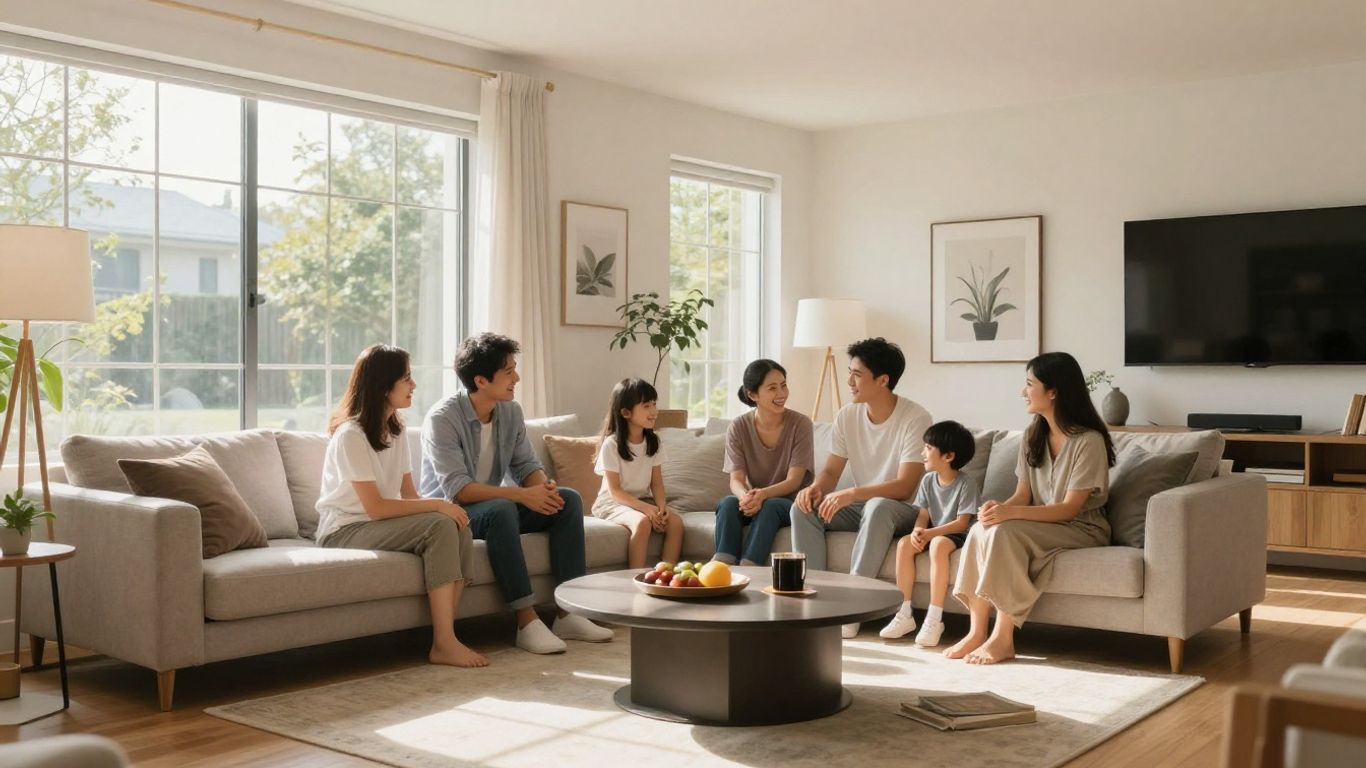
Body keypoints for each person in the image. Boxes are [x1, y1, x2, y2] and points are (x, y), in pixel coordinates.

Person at [419, 333, 614, 654]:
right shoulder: (443, 419)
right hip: (453, 512)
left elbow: (525, 466)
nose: (517, 378)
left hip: (495, 505)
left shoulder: (509, 412)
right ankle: (526, 621)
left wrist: (543, 489)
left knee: (568, 501)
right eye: (508, 371)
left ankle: (568, 613)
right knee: (501, 510)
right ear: (481, 380)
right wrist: (523, 497)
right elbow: (459, 490)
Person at [315, 344, 488, 668]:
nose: (414, 385)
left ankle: (445, 637)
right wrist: (438, 506)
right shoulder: (351, 435)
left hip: (373, 524)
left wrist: (447, 509)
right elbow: (376, 508)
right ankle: (445, 643)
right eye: (407, 378)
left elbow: (409, 496)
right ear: (383, 386)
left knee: (456, 523)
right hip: (344, 530)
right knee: (439, 521)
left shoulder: (397, 429)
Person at [946, 351, 1115, 665]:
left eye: (1029, 384)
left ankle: (1003, 638)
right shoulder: (1031, 436)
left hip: (1082, 527)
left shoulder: (1088, 441)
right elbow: (1023, 496)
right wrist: (997, 509)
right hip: (1042, 524)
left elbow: (1068, 509)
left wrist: (1009, 516)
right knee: (982, 528)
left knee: (1004, 533)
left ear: (1053, 392)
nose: (1023, 392)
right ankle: (976, 630)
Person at [792, 337, 933, 638]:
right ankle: (816, 600)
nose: (849, 381)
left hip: (902, 510)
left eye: (857, 374)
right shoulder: (847, 416)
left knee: (878, 505)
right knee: (803, 509)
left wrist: (852, 493)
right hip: (866, 508)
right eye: (850, 372)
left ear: (883, 380)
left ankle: (851, 607)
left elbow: (906, 486)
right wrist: (815, 488)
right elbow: (831, 470)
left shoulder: (915, 417)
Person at [879, 420, 978, 646]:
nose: (922, 452)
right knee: (904, 544)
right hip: (933, 531)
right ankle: (903, 613)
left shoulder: (966, 483)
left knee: (939, 545)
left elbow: (962, 523)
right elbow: (923, 514)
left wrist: (932, 534)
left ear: (948, 456)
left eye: (928, 448)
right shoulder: (927, 480)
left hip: (955, 534)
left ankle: (935, 618)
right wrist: (918, 530)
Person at [713, 359, 814, 566]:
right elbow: (736, 480)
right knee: (728, 504)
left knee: (770, 506)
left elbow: (794, 481)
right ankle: (723, 563)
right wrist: (744, 497)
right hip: (754, 500)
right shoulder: (738, 426)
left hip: (788, 503)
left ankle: (750, 565)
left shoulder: (801, 424)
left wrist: (762, 495)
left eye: (784, 385)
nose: (782, 394)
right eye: (772, 388)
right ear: (753, 395)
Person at [591, 378, 685, 568]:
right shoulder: (612, 445)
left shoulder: (654, 441)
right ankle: (635, 578)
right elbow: (615, 491)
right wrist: (647, 510)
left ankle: (666, 575)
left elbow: (656, 483)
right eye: (646, 406)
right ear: (626, 412)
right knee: (642, 523)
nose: (654, 411)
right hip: (611, 502)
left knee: (675, 524)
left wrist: (661, 507)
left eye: (654, 404)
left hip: (642, 499)